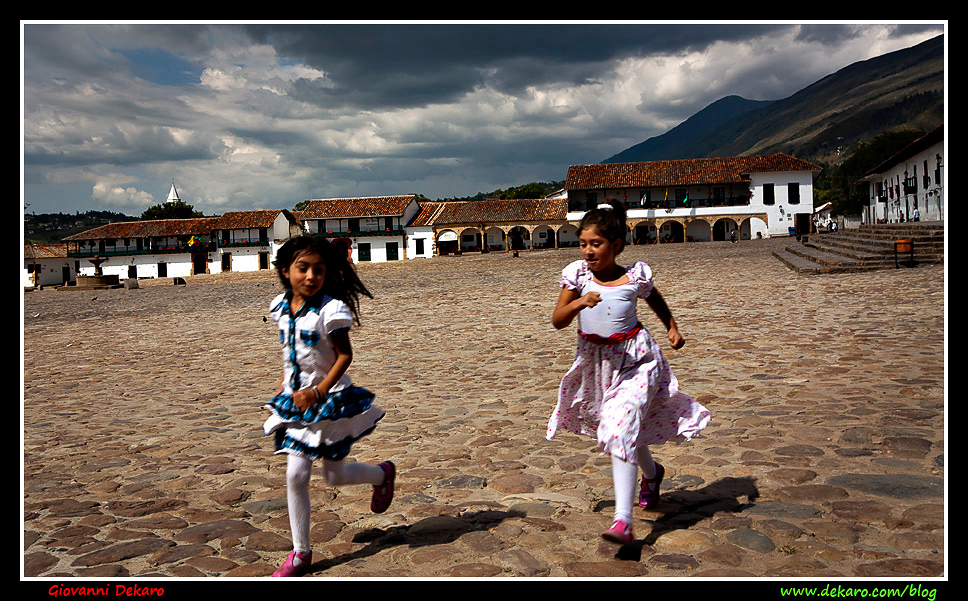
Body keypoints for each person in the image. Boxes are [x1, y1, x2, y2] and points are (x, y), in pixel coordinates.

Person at [548, 199, 710, 545]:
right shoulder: (577, 275)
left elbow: (654, 299)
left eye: (596, 244)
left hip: (638, 361)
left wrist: (672, 327)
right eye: (583, 244)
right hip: (597, 366)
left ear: (616, 245)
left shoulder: (634, 276)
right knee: (622, 428)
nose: (588, 251)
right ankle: (653, 474)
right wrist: (579, 302)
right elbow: (558, 320)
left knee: (620, 424)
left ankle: (623, 520)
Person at [263, 235, 395, 577]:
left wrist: (319, 391)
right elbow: (290, 354)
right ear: (284, 270)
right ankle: (300, 554)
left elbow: (345, 356)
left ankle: (382, 474)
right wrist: (285, 385)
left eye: (318, 270)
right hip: (296, 403)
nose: (310, 277)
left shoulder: (330, 310)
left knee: (334, 476)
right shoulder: (279, 307)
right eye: (302, 269)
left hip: (329, 401)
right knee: (296, 473)